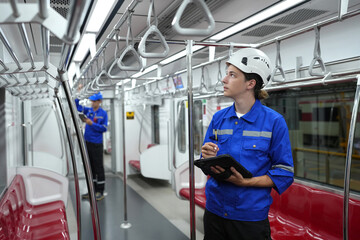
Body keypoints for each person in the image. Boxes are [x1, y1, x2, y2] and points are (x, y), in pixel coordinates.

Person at [201, 48, 294, 240]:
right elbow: (207, 163)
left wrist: (245, 182)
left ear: (250, 83)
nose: (224, 80)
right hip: (214, 211)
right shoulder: (219, 118)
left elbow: (284, 172)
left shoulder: (274, 122)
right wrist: (206, 156)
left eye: (232, 75)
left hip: (249, 219)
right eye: (226, 74)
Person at [75, 92, 108, 201]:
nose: (92, 103)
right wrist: (78, 94)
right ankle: (92, 190)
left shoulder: (103, 113)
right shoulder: (88, 111)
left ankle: (100, 191)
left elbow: (104, 128)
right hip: (87, 142)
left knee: (98, 168)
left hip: (97, 143)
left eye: (94, 101)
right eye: (92, 101)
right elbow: (77, 105)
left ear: (99, 101)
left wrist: (91, 124)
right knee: (90, 168)